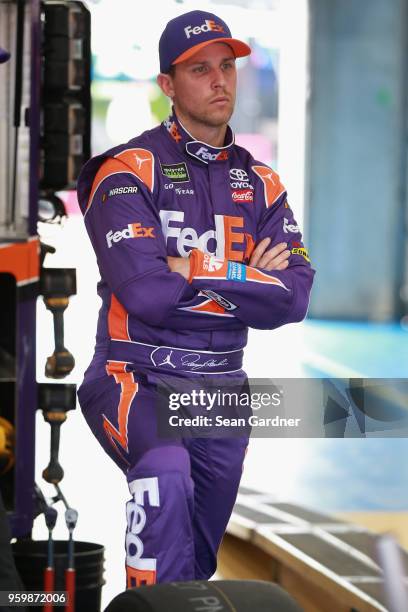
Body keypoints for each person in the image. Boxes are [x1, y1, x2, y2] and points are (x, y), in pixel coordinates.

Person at [76, 9, 314, 588]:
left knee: (194, 566)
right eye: (200, 69)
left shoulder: (262, 183)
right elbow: (148, 293)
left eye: (227, 66)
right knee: (165, 472)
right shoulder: (126, 172)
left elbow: (293, 298)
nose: (220, 81)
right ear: (167, 85)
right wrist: (243, 276)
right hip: (136, 376)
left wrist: (191, 267)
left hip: (225, 389)